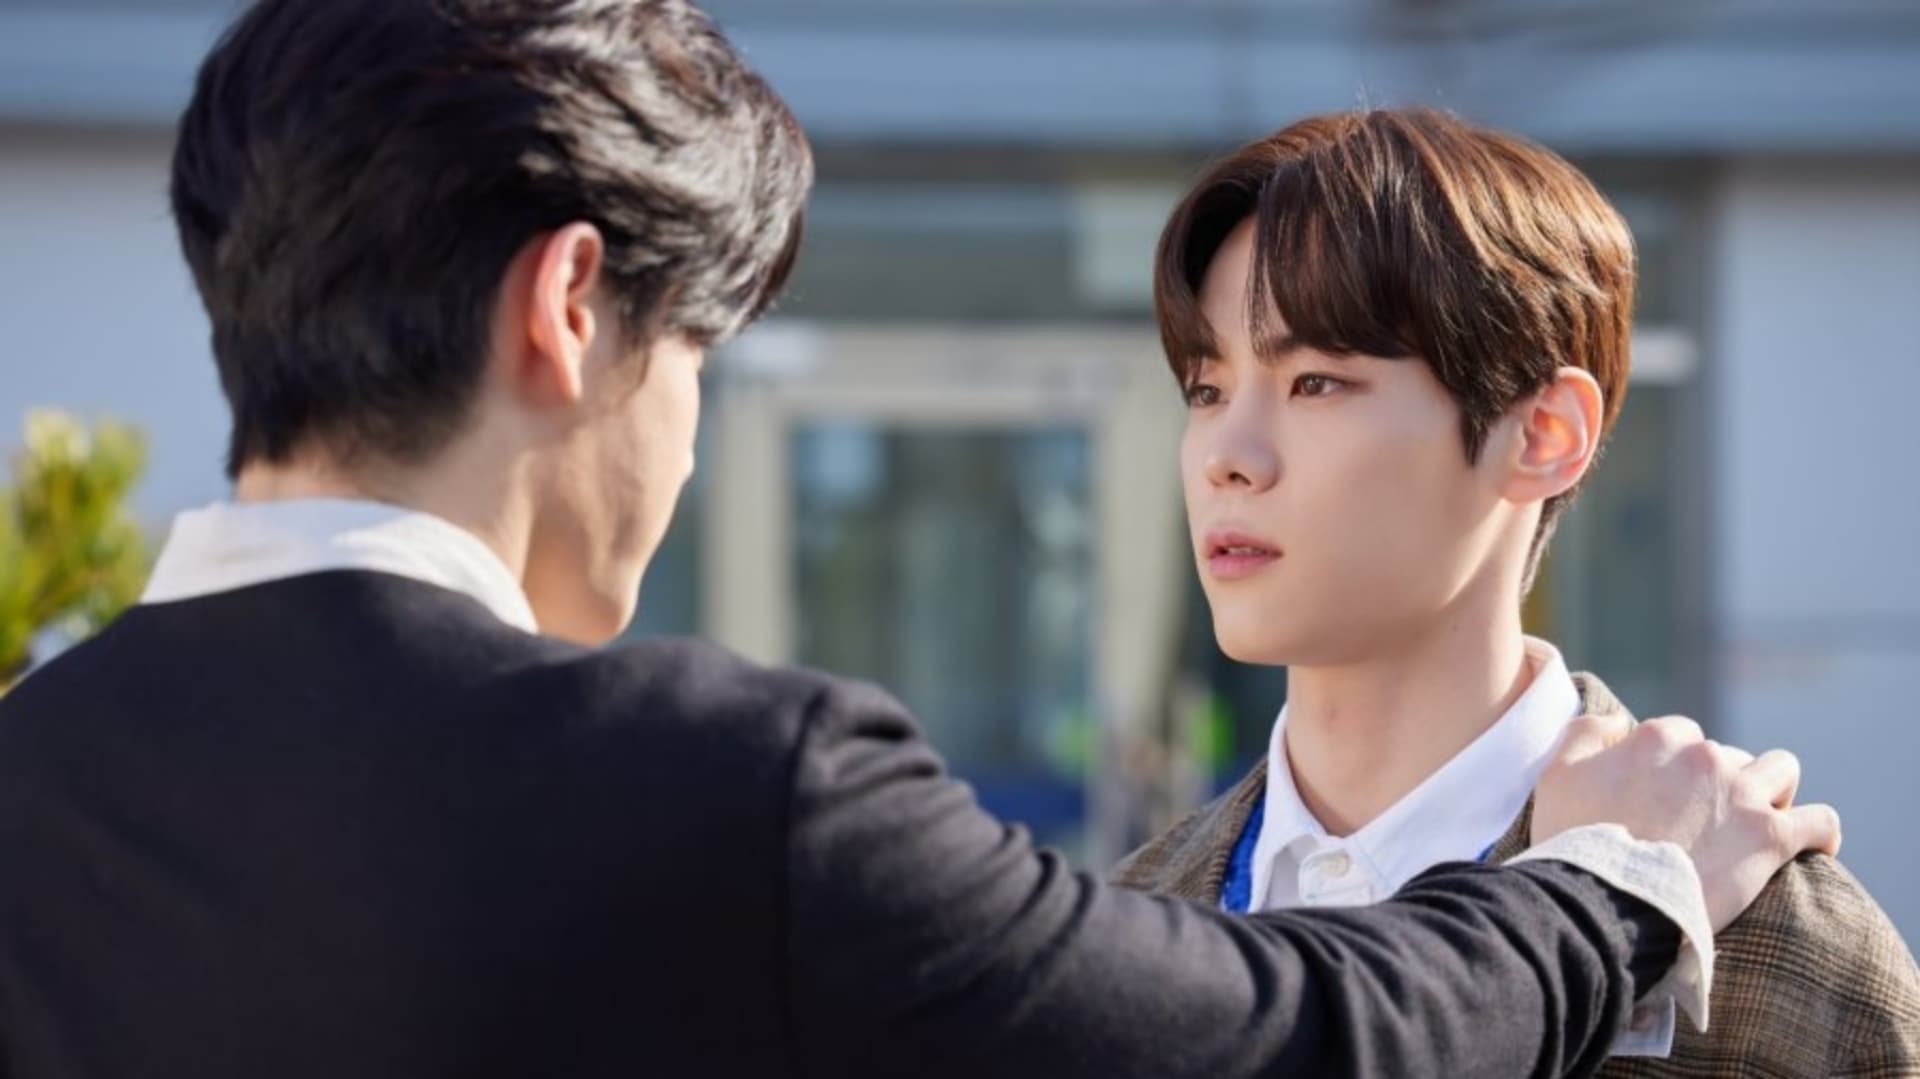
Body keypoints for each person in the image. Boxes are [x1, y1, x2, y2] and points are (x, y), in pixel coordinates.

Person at [0, 4, 1836, 1077]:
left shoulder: (36, 779)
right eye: (697, 352)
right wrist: (1616, 887)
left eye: (1318, 379)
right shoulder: (734, 787)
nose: (1234, 448)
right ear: (571, 308)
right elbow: (1286, 1040)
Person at [1113, 107, 1920, 1074]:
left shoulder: (1777, 949)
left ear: (1544, 433)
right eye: (1206, 390)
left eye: (1316, 381)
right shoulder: (1123, 930)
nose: (1227, 457)